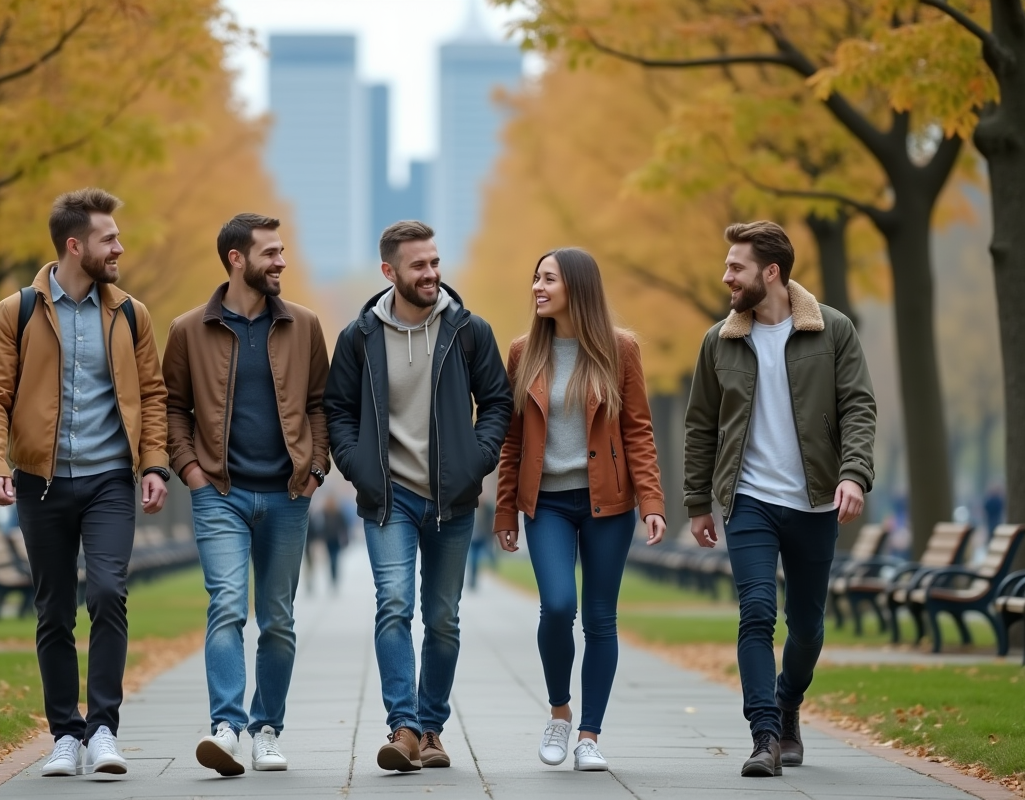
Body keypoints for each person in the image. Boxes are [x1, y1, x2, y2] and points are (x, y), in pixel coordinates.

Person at [0, 188, 170, 777]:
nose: (120, 248)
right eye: (109, 239)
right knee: (54, 610)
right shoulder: (19, 311)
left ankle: (103, 729)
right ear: (75, 245)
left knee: (108, 593)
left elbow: (154, 396)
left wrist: (154, 465)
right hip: (39, 483)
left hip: (110, 479)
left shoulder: (131, 314)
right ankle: (65, 733)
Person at [684, 221, 876, 777]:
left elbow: (859, 407)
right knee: (756, 614)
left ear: (770, 272)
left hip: (815, 501)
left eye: (736, 267)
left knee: (808, 626)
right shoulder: (720, 339)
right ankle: (765, 735)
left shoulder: (832, 330)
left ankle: (789, 702)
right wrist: (699, 501)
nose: (726, 277)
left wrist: (853, 474)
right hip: (750, 500)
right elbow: (700, 425)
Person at [324, 220, 512, 772]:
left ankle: (432, 728)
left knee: (444, 618)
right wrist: (359, 468)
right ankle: (403, 727)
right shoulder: (359, 336)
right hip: (390, 498)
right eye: (419, 265)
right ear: (390, 272)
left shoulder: (469, 330)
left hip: (453, 500)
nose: (431, 273)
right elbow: (337, 410)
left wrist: (475, 461)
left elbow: (497, 402)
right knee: (394, 607)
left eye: (434, 262)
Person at [163, 212, 330, 777]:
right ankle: (227, 726)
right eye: (271, 253)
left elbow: (320, 406)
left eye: (282, 253)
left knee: (278, 618)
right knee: (227, 606)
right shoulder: (189, 329)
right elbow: (172, 408)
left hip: (288, 494)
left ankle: (267, 729)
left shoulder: (304, 325)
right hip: (220, 493)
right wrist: (188, 469)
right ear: (237, 259)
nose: (281, 262)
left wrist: (316, 470)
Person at [494, 247, 666, 771]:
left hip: (607, 503)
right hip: (545, 503)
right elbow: (512, 439)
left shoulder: (621, 350)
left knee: (599, 619)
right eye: (535, 278)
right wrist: (505, 509)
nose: (537, 288)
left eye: (547, 279)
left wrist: (652, 501)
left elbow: (638, 429)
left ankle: (590, 734)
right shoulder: (525, 352)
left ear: (577, 287)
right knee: (559, 605)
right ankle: (559, 710)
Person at [308, 492, 351, 591]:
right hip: (328, 539)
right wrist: (320, 537)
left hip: (336, 539)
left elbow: (344, 526)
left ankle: (334, 578)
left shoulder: (338, 512)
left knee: (334, 559)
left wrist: (345, 538)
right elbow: (320, 526)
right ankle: (332, 578)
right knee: (331, 559)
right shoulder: (324, 512)